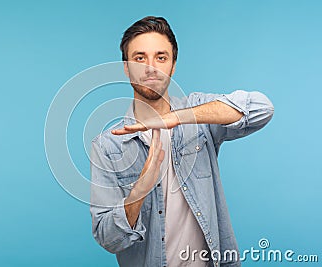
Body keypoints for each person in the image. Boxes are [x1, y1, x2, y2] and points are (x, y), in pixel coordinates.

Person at [90, 16, 274, 267]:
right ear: (126, 67)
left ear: (173, 65)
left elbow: (262, 109)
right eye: (140, 58)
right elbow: (107, 238)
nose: (150, 67)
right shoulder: (107, 146)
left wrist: (177, 118)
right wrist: (140, 189)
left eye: (161, 57)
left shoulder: (199, 116)